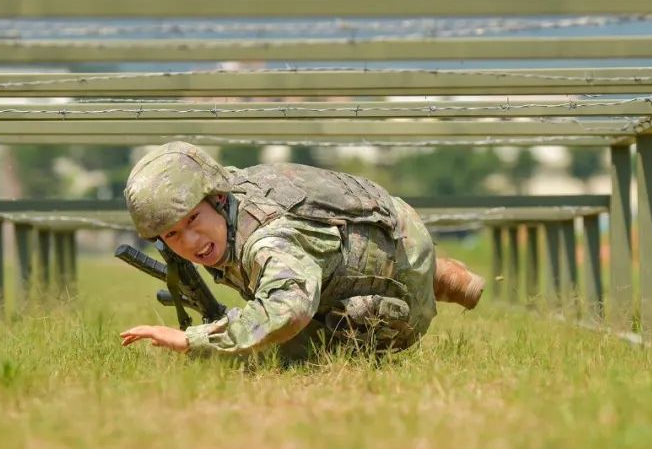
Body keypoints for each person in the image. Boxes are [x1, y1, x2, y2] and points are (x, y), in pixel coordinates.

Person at [119, 141, 484, 362]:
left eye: (194, 219)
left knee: (283, 355)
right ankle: (439, 273)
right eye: (172, 234)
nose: (191, 241)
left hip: (393, 257)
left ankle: (424, 282)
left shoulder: (266, 239)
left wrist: (193, 340)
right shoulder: (229, 190)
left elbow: (287, 312)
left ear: (215, 198)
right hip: (385, 230)